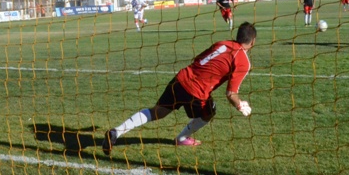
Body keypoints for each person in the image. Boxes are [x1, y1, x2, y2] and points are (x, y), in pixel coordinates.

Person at [104, 22, 257, 151]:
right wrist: (239, 105)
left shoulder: (222, 44)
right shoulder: (243, 61)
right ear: (253, 41)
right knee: (209, 112)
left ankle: (116, 131)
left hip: (181, 79)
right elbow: (231, 93)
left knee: (158, 111)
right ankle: (181, 138)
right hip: (197, 92)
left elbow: (198, 58)